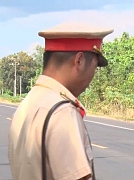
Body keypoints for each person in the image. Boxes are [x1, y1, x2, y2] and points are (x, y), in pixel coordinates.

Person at [8, 21, 113, 180]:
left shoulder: (28, 103)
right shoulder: (62, 111)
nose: (93, 76)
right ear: (79, 61)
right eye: (95, 66)